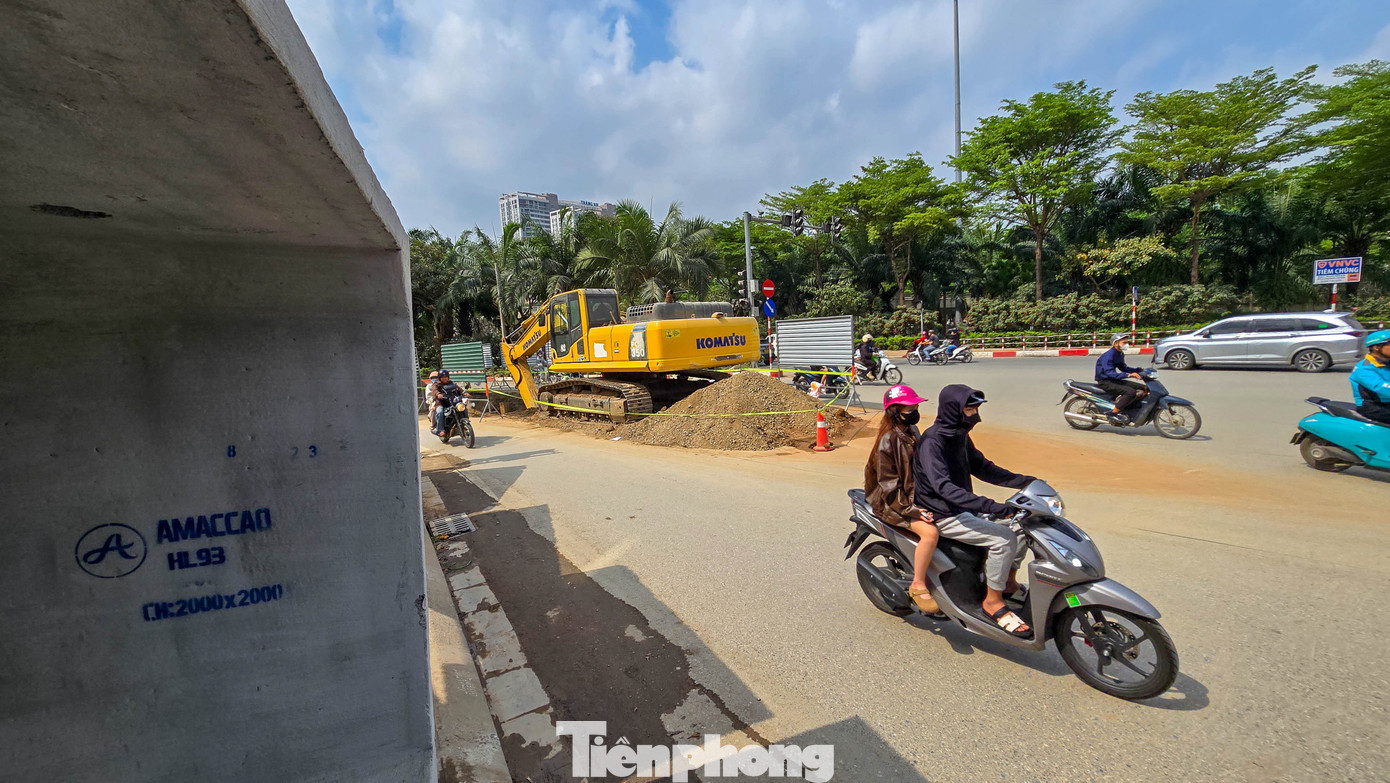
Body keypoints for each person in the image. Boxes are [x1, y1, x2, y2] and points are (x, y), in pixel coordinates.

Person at [914, 385, 1038, 637]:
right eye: (969, 409)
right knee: (1004, 539)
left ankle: (1008, 583)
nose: (974, 415)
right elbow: (944, 488)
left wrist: (1024, 481)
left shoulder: (958, 435)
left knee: (1023, 526)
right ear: (953, 410)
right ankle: (992, 602)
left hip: (961, 507)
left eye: (976, 409)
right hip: (942, 512)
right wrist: (991, 506)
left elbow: (982, 467)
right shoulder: (933, 442)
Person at [864, 385, 939, 613]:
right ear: (895, 410)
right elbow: (889, 488)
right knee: (930, 533)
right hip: (893, 504)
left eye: (916, 405)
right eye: (910, 407)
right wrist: (914, 511)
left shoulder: (911, 430)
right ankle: (918, 584)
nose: (915, 410)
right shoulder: (888, 441)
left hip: (912, 496)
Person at [1095, 333, 1147, 425]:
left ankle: (1127, 407)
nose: (1126, 344)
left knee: (1144, 388)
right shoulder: (1109, 355)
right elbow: (1109, 373)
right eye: (1124, 342)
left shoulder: (1119, 353)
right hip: (1105, 381)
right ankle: (1113, 413)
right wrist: (1129, 375)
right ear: (1115, 343)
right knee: (1130, 392)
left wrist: (1138, 370)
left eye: (1127, 342)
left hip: (1113, 379)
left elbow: (1123, 368)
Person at [1351, 330, 1390, 425]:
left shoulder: (1387, 362)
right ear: (1376, 347)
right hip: (1373, 406)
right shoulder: (1364, 368)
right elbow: (1381, 387)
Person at [430, 370, 462, 435]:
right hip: (441, 404)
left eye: (446, 377)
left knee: (462, 407)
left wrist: (464, 392)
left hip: (452, 402)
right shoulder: (436, 384)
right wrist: (438, 394)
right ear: (440, 378)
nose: (445, 378)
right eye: (443, 377)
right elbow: (434, 391)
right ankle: (440, 430)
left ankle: (463, 423)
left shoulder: (451, 383)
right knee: (440, 412)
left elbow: (458, 388)